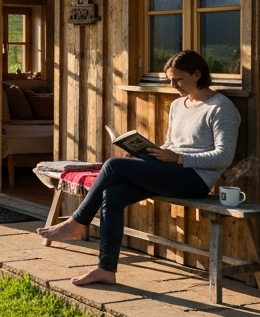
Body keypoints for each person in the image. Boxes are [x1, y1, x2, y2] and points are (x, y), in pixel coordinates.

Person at [37, 50, 240, 286]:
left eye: (178, 79)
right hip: (171, 171)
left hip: (194, 180)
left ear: (197, 74)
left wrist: (178, 159)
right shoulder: (178, 105)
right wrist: (146, 153)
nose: (173, 84)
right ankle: (106, 269)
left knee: (113, 165)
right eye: (169, 79)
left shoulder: (220, 108)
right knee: (112, 195)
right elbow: (171, 145)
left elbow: (224, 156)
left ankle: (76, 223)